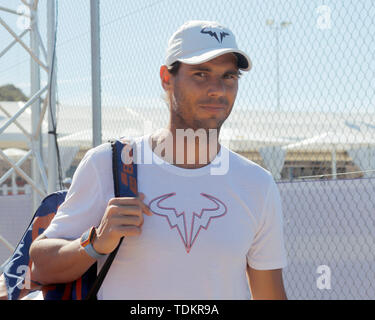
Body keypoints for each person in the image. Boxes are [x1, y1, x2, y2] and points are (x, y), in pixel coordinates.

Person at [30, 20, 288, 300]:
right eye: (201, 74)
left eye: (229, 77)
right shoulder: (107, 164)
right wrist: (96, 241)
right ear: (167, 78)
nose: (218, 89)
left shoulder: (257, 183)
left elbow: (268, 294)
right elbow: (40, 266)